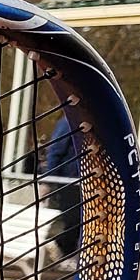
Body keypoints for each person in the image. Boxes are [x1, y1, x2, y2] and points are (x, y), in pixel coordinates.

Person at [43, 108, 83, 263]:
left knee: (81, 221)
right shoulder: (68, 123)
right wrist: (48, 181)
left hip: (84, 183)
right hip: (67, 181)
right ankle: (61, 248)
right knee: (74, 220)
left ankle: (64, 253)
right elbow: (55, 152)